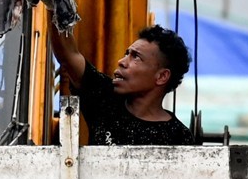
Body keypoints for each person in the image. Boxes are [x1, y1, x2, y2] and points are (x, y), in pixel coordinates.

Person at [50, 24, 194, 145]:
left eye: (136, 57)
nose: (122, 61)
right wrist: (56, 4)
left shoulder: (179, 138)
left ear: (162, 76)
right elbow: (68, 55)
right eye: (127, 54)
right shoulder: (105, 98)